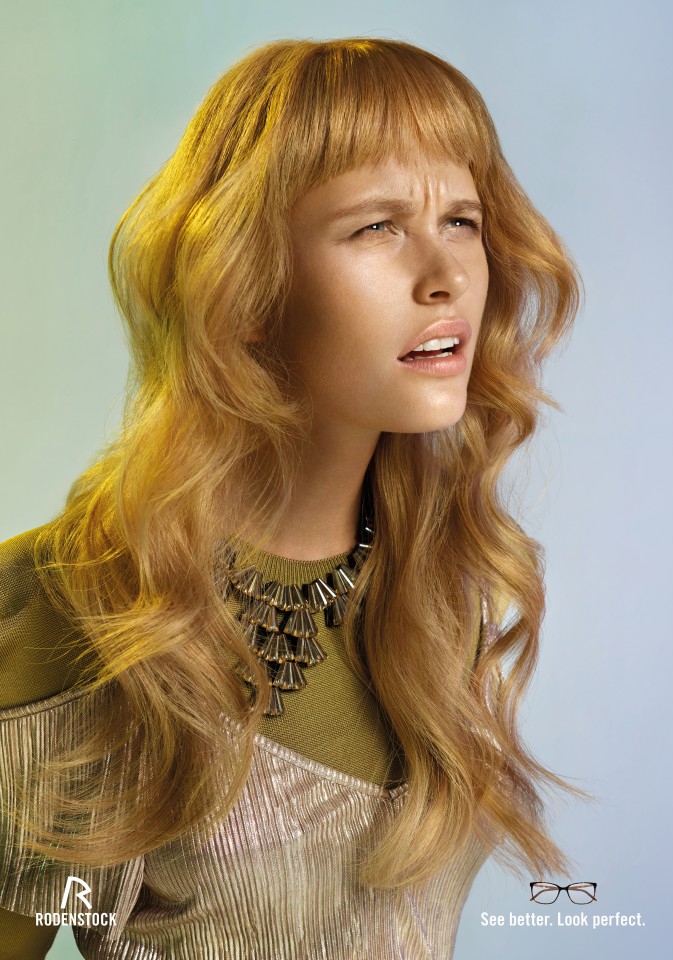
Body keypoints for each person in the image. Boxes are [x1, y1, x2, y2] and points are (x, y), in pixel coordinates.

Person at [0, 37, 585, 959]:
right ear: (245, 281)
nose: (445, 277)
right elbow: (29, 920)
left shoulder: (439, 598)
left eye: (462, 219)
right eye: (378, 226)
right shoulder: (72, 602)